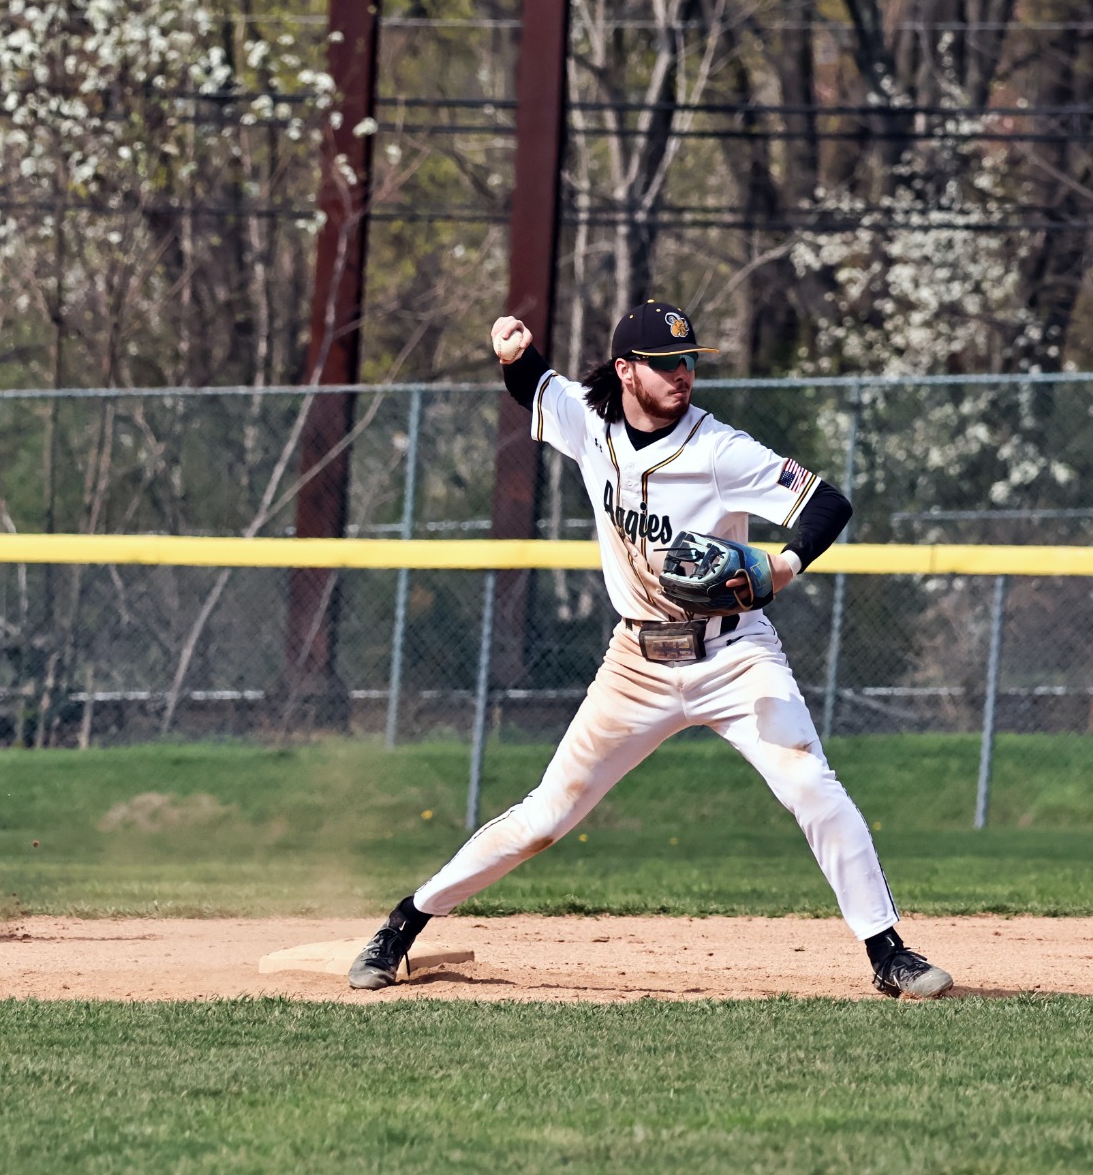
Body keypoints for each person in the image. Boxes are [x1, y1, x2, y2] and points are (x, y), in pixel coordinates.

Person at [350, 301, 953, 998]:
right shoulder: (591, 420)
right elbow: (538, 388)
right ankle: (405, 922)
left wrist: (782, 565)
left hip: (734, 655)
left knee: (812, 785)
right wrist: (513, 355)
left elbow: (827, 502)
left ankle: (888, 952)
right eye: (667, 363)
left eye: (690, 360)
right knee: (547, 813)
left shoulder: (718, 448)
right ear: (626, 370)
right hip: (635, 661)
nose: (683, 374)